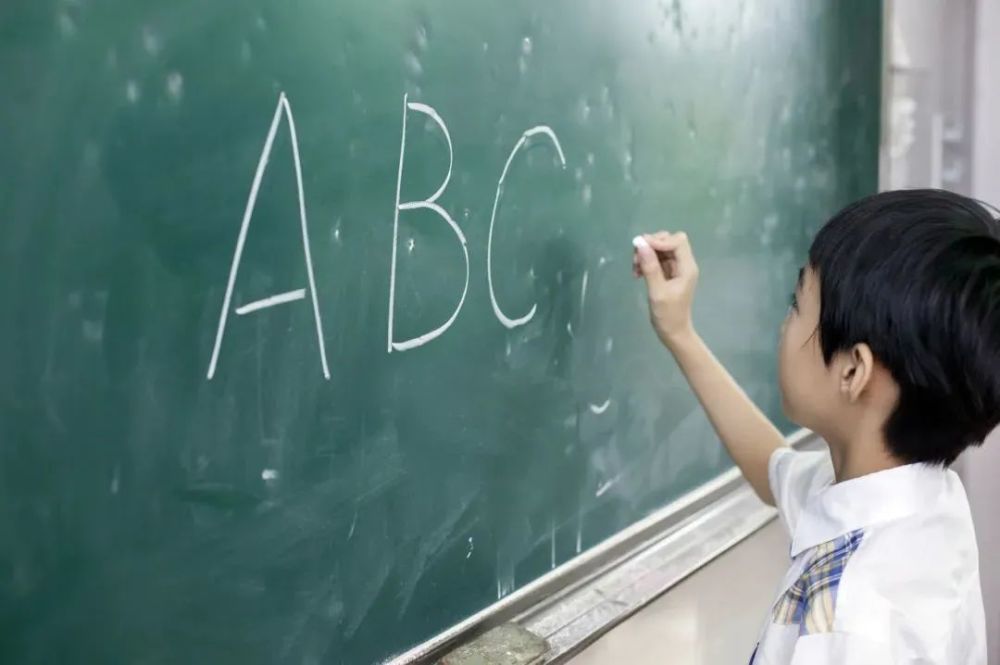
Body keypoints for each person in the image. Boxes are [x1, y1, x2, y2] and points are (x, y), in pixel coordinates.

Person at [632, 189, 999, 664]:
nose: (782, 325)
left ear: (853, 370)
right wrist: (679, 332)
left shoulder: (852, 628)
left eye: (796, 304)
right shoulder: (916, 499)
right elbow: (773, 469)